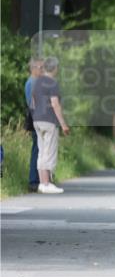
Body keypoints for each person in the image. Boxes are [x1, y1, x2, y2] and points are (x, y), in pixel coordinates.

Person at [31, 57, 70, 194]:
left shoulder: (37, 81)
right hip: (49, 120)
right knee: (49, 151)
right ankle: (47, 183)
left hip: (37, 119)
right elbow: (55, 104)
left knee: (42, 151)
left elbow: (34, 101)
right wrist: (63, 124)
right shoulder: (52, 83)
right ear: (54, 68)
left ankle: (42, 183)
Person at [24, 58, 43, 192]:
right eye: (40, 67)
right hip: (37, 119)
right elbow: (34, 104)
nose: (42, 70)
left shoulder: (35, 82)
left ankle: (39, 179)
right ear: (33, 68)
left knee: (39, 149)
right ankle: (34, 181)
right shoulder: (32, 83)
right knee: (37, 149)